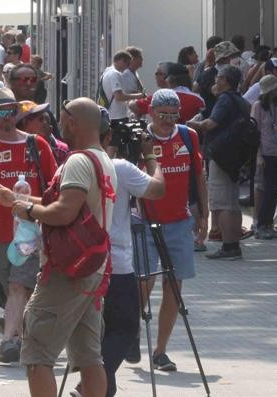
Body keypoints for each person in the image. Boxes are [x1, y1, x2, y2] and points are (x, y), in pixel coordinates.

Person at [2, 97, 115, 397]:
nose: (57, 123)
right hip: (92, 269)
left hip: (66, 273)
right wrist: (20, 201)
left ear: (73, 123)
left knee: (37, 353)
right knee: (90, 358)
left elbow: (64, 212)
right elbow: (69, 207)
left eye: (62, 118)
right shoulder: (103, 159)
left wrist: (26, 212)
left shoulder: (78, 161)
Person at [0, 89, 58, 364]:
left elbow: (53, 189)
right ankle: (22, 332)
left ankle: (9, 340)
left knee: (18, 286)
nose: (6, 118)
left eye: (11, 110)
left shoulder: (37, 145)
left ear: (18, 112)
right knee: (13, 287)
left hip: (32, 232)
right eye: (0, 112)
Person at [93, 96, 168, 397]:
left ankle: (97, 388)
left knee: (99, 335)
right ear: (108, 134)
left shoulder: (73, 163)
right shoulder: (121, 168)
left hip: (84, 264)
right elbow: (158, 189)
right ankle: (89, 384)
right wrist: (150, 156)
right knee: (124, 331)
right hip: (117, 263)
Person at [128, 89, 206, 377]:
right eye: (163, 115)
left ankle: (160, 351)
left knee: (174, 287)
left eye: (174, 115)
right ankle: (132, 335)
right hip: (144, 221)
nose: (169, 121)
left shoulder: (187, 136)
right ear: (151, 113)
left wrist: (204, 214)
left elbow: (198, 175)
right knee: (143, 283)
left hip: (179, 222)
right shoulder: (139, 139)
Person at [187, 65, 248, 259]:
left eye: (218, 78)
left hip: (221, 155)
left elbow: (211, 124)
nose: (215, 81)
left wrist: (192, 125)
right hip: (235, 156)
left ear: (226, 81)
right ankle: (233, 244)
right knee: (232, 201)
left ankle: (229, 246)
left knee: (222, 203)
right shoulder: (240, 100)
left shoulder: (224, 100)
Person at [251, 75, 277, 239]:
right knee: (267, 189)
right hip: (265, 151)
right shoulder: (258, 106)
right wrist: (258, 155)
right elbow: (255, 132)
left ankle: (268, 223)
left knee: (275, 190)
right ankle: (261, 224)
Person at [17, 100, 69, 165]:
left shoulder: (62, 151)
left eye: (46, 119)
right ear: (25, 123)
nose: (45, 122)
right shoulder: (13, 151)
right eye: (41, 119)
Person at [101, 51, 146, 121]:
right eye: (127, 64)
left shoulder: (106, 72)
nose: (127, 68)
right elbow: (119, 97)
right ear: (121, 61)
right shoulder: (115, 74)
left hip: (110, 115)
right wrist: (139, 96)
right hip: (117, 116)